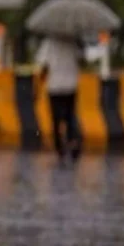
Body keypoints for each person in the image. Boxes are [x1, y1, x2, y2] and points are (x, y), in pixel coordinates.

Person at [35, 34, 84, 163]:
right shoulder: (72, 42)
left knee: (56, 119)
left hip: (54, 86)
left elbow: (44, 66)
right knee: (70, 116)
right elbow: (81, 59)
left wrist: (39, 83)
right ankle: (73, 140)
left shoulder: (48, 43)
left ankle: (60, 148)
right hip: (71, 85)